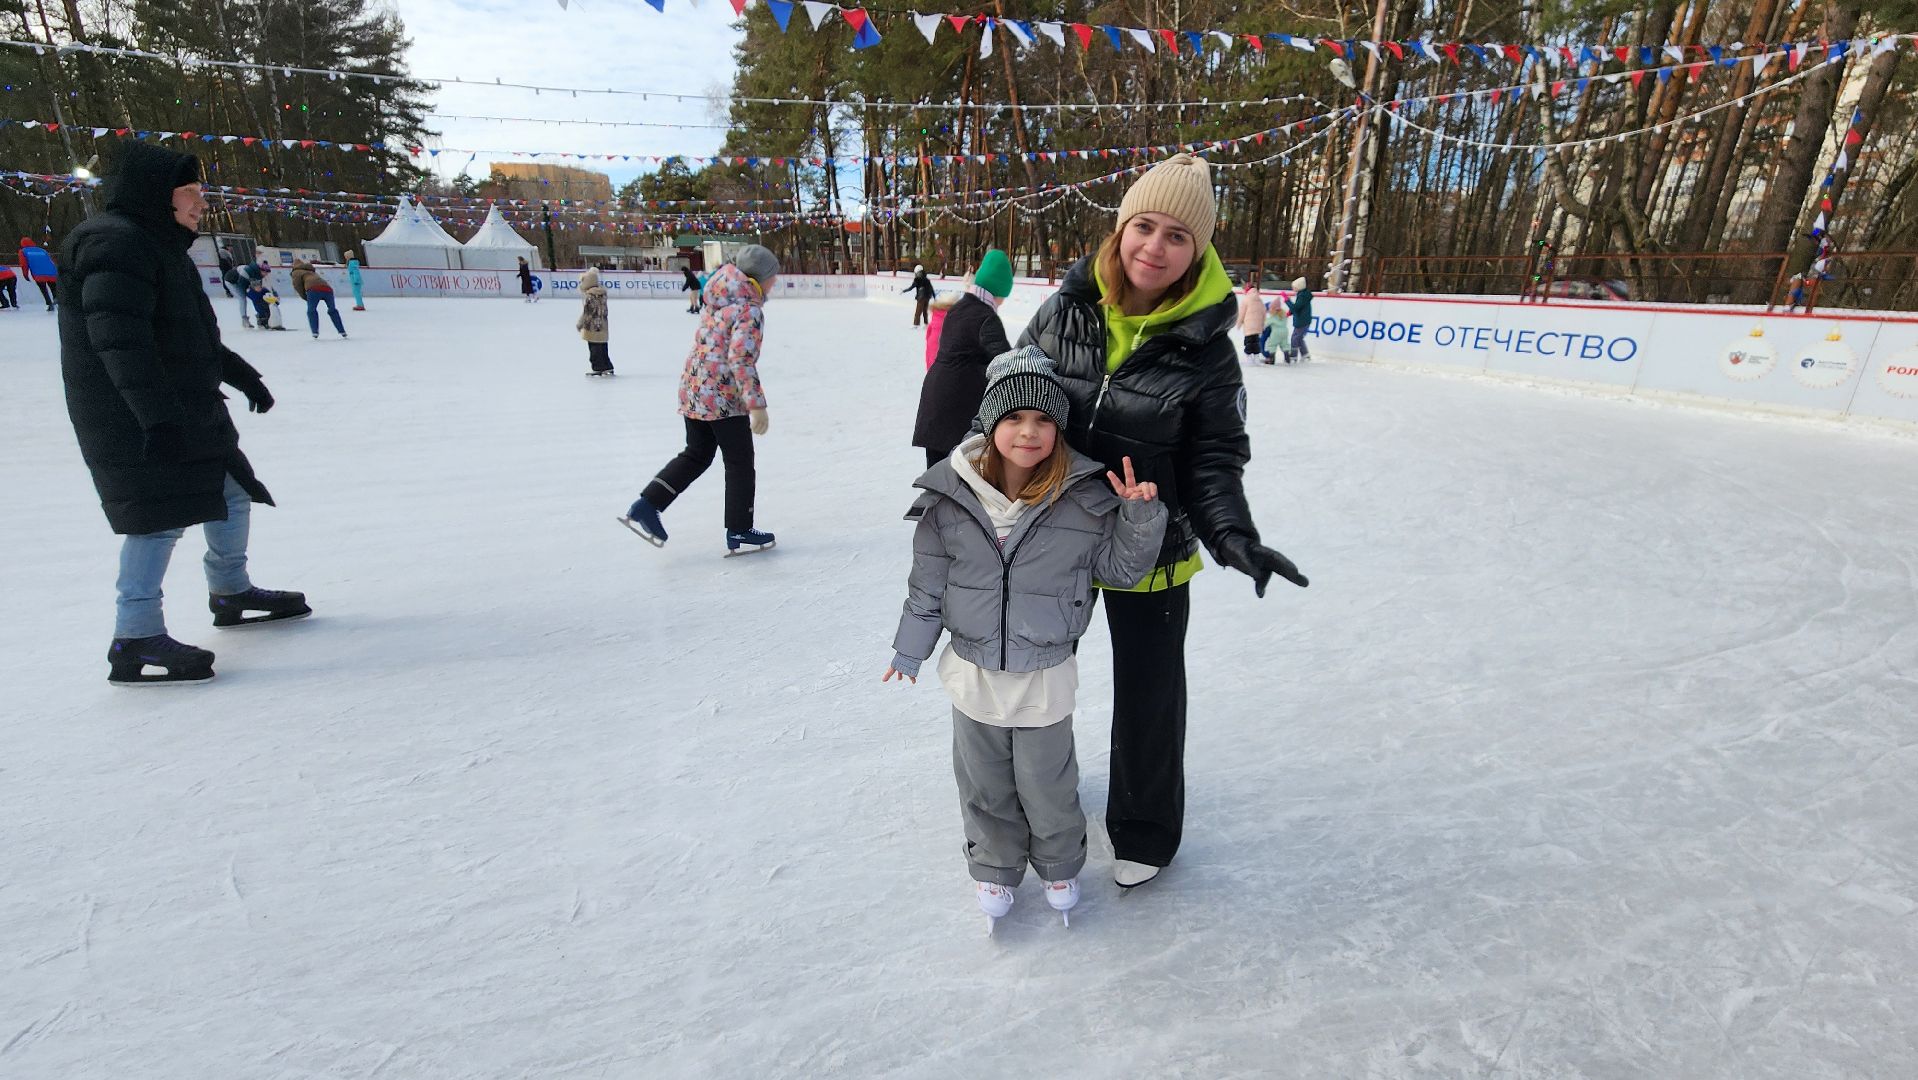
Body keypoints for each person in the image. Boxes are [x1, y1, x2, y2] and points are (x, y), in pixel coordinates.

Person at [1015, 152, 1309, 888]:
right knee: (1032, 679)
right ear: (1120, 231)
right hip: (1060, 538)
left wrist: (1234, 536)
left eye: (1178, 235)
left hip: (1158, 550)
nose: (1155, 245)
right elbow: (1010, 400)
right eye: (1144, 225)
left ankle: (1144, 828)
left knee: (1149, 693)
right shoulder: (1064, 310)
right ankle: (1029, 800)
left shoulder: (1210, 350)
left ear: (1198, 251)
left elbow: (1214, 460)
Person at [886, 348, 1169, 928]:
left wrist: (1139, 518)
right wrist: (909, 649)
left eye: (1043, 420)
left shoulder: (1087, 499)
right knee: (983, 781)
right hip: (975, 671)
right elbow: (928, 587)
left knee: (1048, 783)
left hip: (1044, 672)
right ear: (991, 425)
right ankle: (993, 868)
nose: (1029, 431)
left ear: (1058, 430)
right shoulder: (948, 501)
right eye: (1014, 418)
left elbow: (1119, 572)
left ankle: (1060, 862)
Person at [58, 140, 308, 686]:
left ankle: (232, 592)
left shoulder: (158, 243)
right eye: (190, 192)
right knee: (157, 519)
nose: (201, 203)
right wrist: (156, 419)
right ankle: (135, 636)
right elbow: (120, 344)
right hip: (134, 414)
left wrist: (239, 372)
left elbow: (183, 336)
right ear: (155, 195)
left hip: (184, 404)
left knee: (233, 493)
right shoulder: (112, 244)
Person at [621, 245, 780, 555]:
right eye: (773, 278)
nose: (776, 284)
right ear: (759, 278)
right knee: (740, 463)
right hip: (722, 395)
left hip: (695, 388)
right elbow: (740, 357)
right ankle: (740, 528)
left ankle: (647, 503)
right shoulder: (749, 307)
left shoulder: (718, 296)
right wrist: (756, 405)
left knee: (696, 454)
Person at [912, 249, 1013, 468]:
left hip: (937, 402)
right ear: (999, 290)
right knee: (957, 483)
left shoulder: (959, 308)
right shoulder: (986, 318)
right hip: (956, 411)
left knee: (938, 481)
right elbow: (1008, 366)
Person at [289, 260, 347, 339]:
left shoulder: (296, 272)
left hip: (313, 289)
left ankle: (315, 331)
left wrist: (305, 297)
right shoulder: (311, 271)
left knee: (311, 310)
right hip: (327, 288)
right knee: (332, 310)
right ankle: (342, 331)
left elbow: (298, 286)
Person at [577, 266, 614, 376]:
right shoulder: (601, 294)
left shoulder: (591, 296)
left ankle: (598, 367)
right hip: (603, 325)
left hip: (592, 326)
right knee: (602, 347)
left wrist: (580, 323)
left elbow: (588, 312)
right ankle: (607, 366)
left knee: (594, 349)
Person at [20, 235, 59, 310]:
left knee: (43, 289)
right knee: (53, 287)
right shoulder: (42, 250)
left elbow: (24, 264)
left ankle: (49, 303)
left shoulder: (23, 251)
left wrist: (25, 275)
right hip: (52, 272)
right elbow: (51, 261)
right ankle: (56, 298)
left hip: (38, 274)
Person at [1286, 276, 1314, 363]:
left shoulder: (1302, 296)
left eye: (1294, 287)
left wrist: (1287, 300)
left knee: (1294, 338)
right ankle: (1305, 354)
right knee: (1299, 338)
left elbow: (1296, 308)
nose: (1293, 288)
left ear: (1299, 287)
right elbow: (1298, 307)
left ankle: (1293, 356)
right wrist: (1289, 313)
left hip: (1302, 321)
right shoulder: (1302, 295)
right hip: (1303, 320)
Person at [1237, 278, 1266, 359]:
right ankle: (1256, 356)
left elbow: (1242, 313)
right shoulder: (1259, 299)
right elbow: (1263, 313)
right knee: (1256, 341)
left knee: (1248, 341)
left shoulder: (1246, 299)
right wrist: (1262, 325)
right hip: (1258, 326)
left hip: (1249, 325)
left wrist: (1239, 324)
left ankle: (1249, 356)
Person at [1259, 293, 1290, 365]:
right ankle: (1287, 357)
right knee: (1285, 345)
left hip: (1276, 333)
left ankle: (1271, 359)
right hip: (1285, 332)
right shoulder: (1284, 315)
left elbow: (1265, 325)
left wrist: (1261, 328)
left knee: (1272, 345)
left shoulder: (1272, 318)